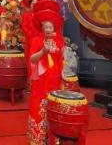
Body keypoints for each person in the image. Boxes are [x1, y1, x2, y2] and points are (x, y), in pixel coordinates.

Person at [27, 9, 64, 145]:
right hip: (40, 80)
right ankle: (38, 138)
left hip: (55, 80)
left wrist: (63, 76)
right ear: (42, 28)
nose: (48, 29)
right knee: (39, 106)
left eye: (50, 27)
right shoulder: (37, 40)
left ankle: (53, 138)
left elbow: (61, 60)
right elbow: (32, 59)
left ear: (54, 28)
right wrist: (43, 51)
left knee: (53, 108)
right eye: (46, 27)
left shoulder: (59, 41)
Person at [21, 0, 44, 71]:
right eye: (33, 4)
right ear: (30, 5)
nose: (35, 5)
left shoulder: (42, 15)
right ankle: (31, 80)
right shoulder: (26, 16)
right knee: (31, 61)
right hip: (30, 41)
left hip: (41, 41)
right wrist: (32, 38)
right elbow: (25, 28)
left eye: (36, 4)